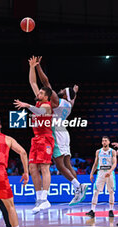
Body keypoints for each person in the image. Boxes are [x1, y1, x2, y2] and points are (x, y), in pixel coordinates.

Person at [35, 56, 88, 206]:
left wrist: (38, 67)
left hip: (56, 133)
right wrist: (75, 91)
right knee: (67, 164)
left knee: (59, 165)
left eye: (62, 90)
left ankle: (78, 186)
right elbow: (73, 98)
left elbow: (46, 83)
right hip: (64, 132)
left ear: (64, 95)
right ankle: (78, 191)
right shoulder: (69, 104)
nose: (59, 90)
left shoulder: (57, 102)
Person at [13, 56, 54, 214]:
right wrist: (32, 67)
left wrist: (27, 105)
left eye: (41, 92)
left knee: (44, 167)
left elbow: (40, 112)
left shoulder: (46, 106)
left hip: (46, 139)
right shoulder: (39, 101)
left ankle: (45, 199)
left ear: (46, 96)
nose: (39, 93)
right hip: (36, 139)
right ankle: (39, 199)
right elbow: (33, 83)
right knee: (32, 167)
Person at [86, 136, 117, 218]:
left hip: (109, 172)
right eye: (103, 141)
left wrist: (110, 171)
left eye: (106, 141)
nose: (104, 142)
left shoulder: (112, 151)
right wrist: (91, 173)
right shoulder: (98, 151)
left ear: (109, 142)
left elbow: (114, 163)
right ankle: (92, 210)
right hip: (101, 172)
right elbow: (95, 163)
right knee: (96, 191)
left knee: (111, 192)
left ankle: (111, 210)